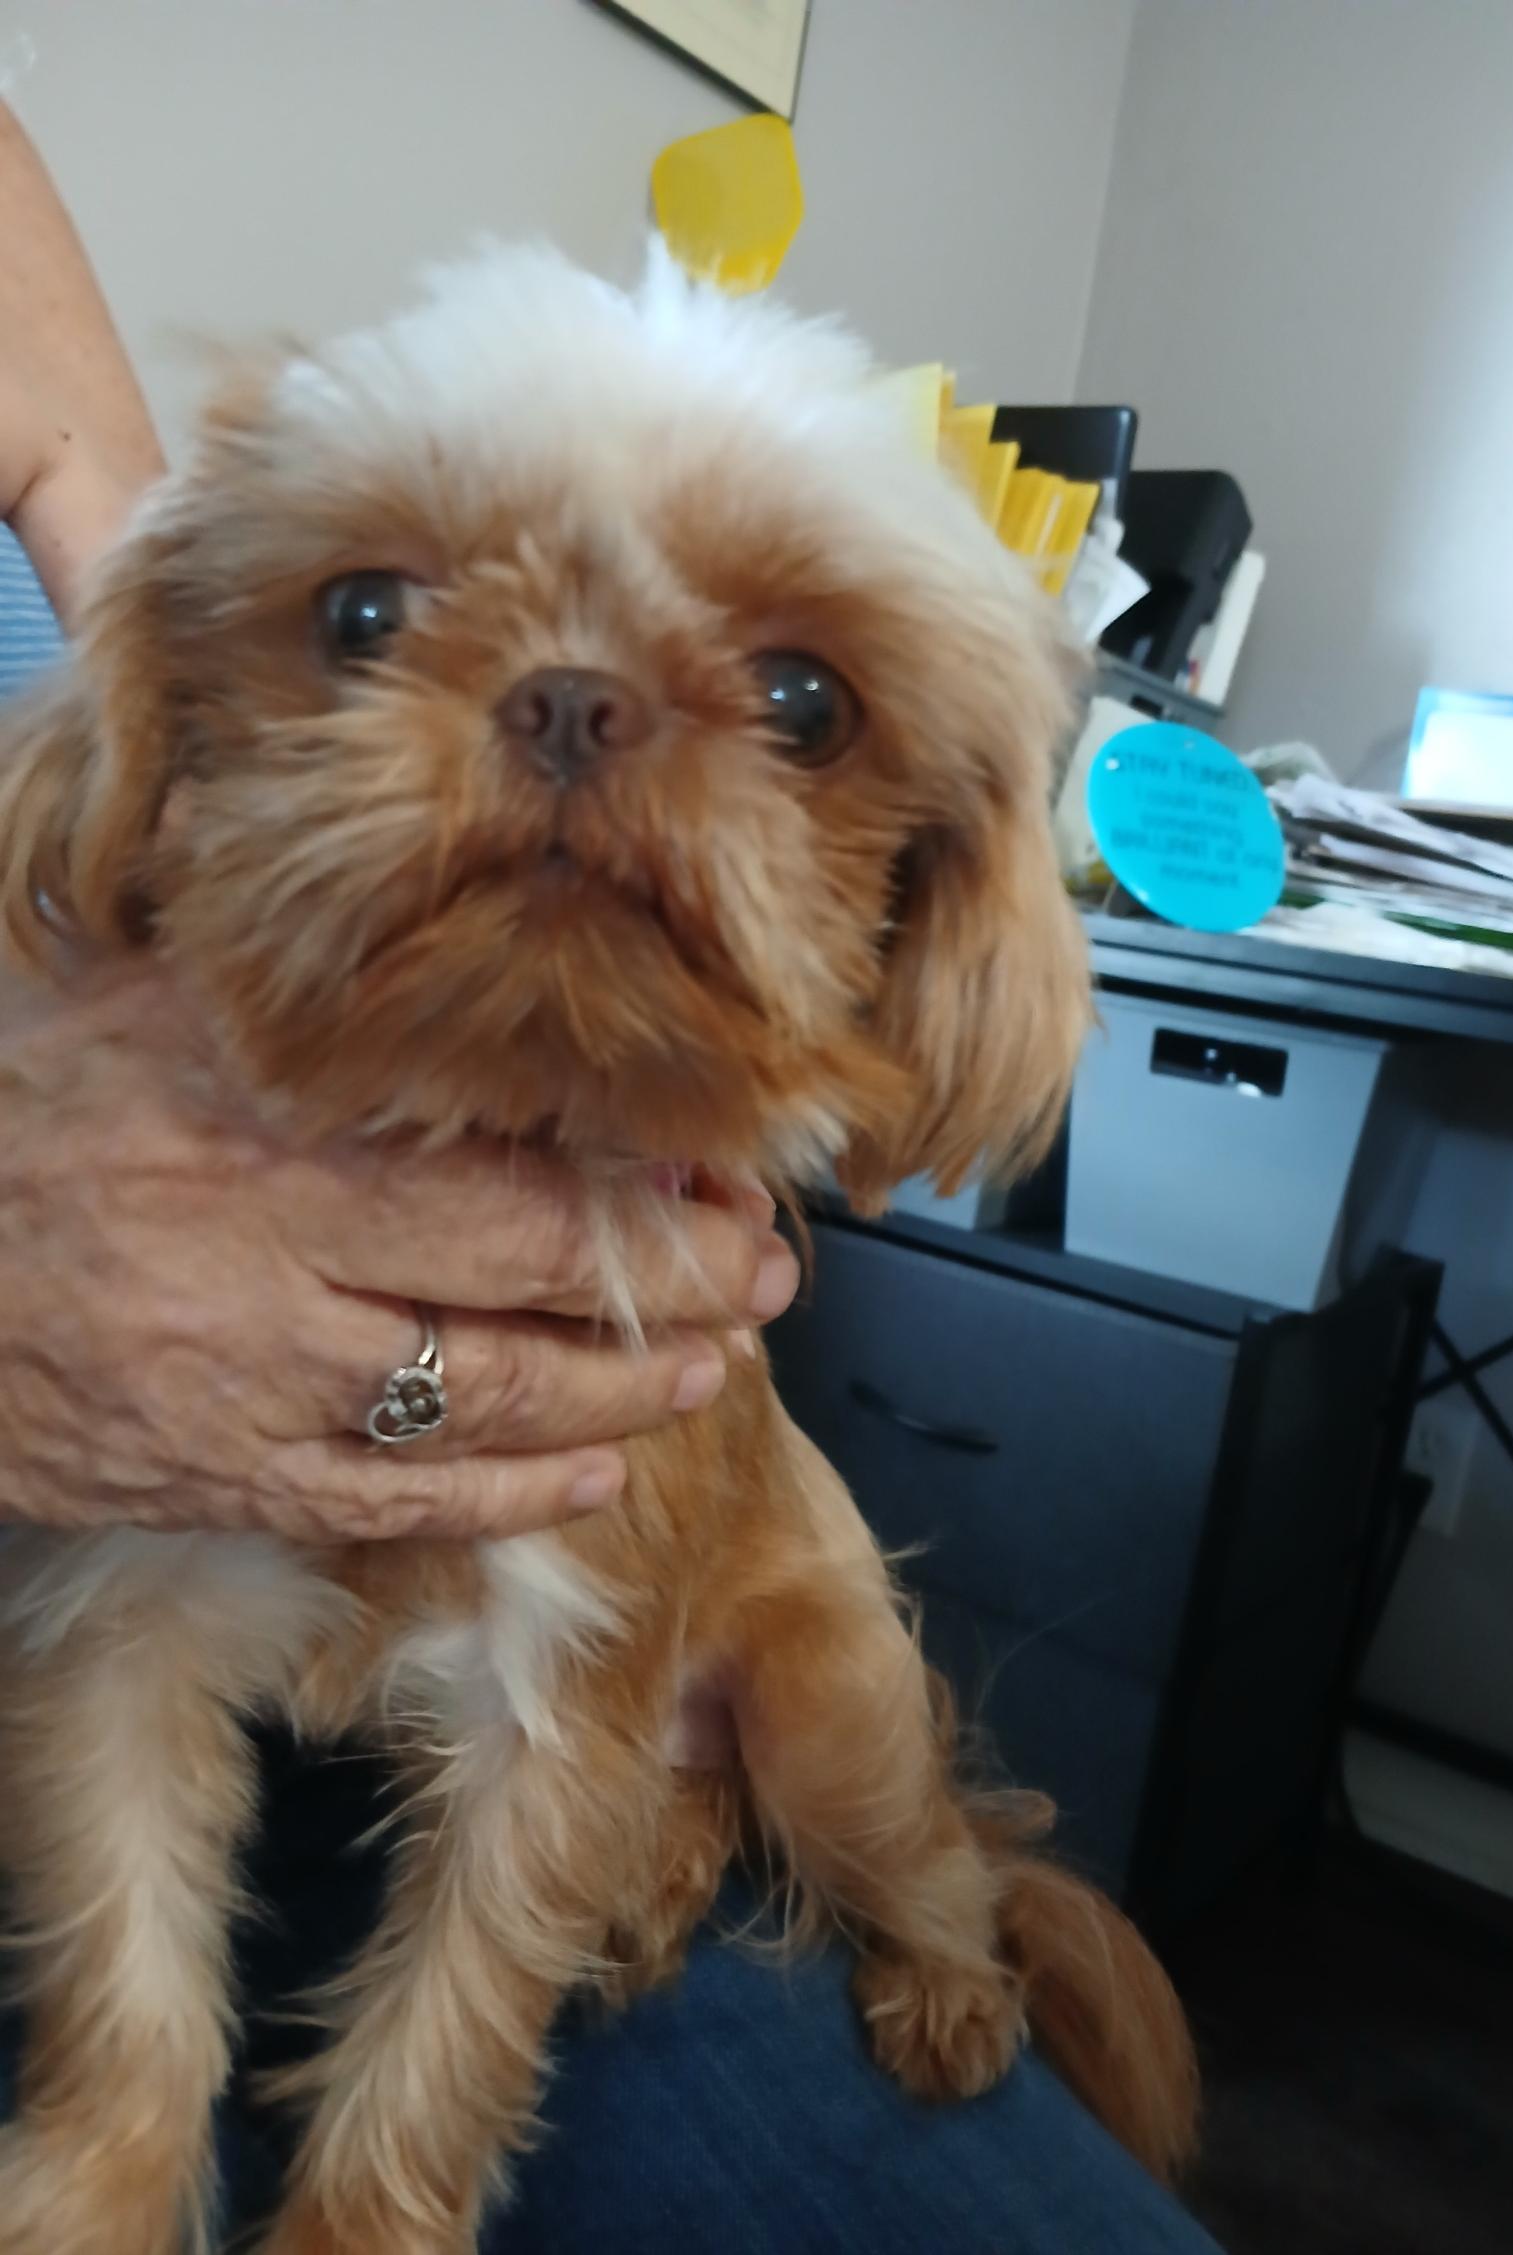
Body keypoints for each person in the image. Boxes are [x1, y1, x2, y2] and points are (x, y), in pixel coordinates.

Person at [0, 99, 1220, 2252]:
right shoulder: (130, 743)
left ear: (934, 889)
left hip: (605, 1712)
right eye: (374, 619)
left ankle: (935, 1917)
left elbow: (104, 540)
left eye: (796, 702)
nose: (568, 712)